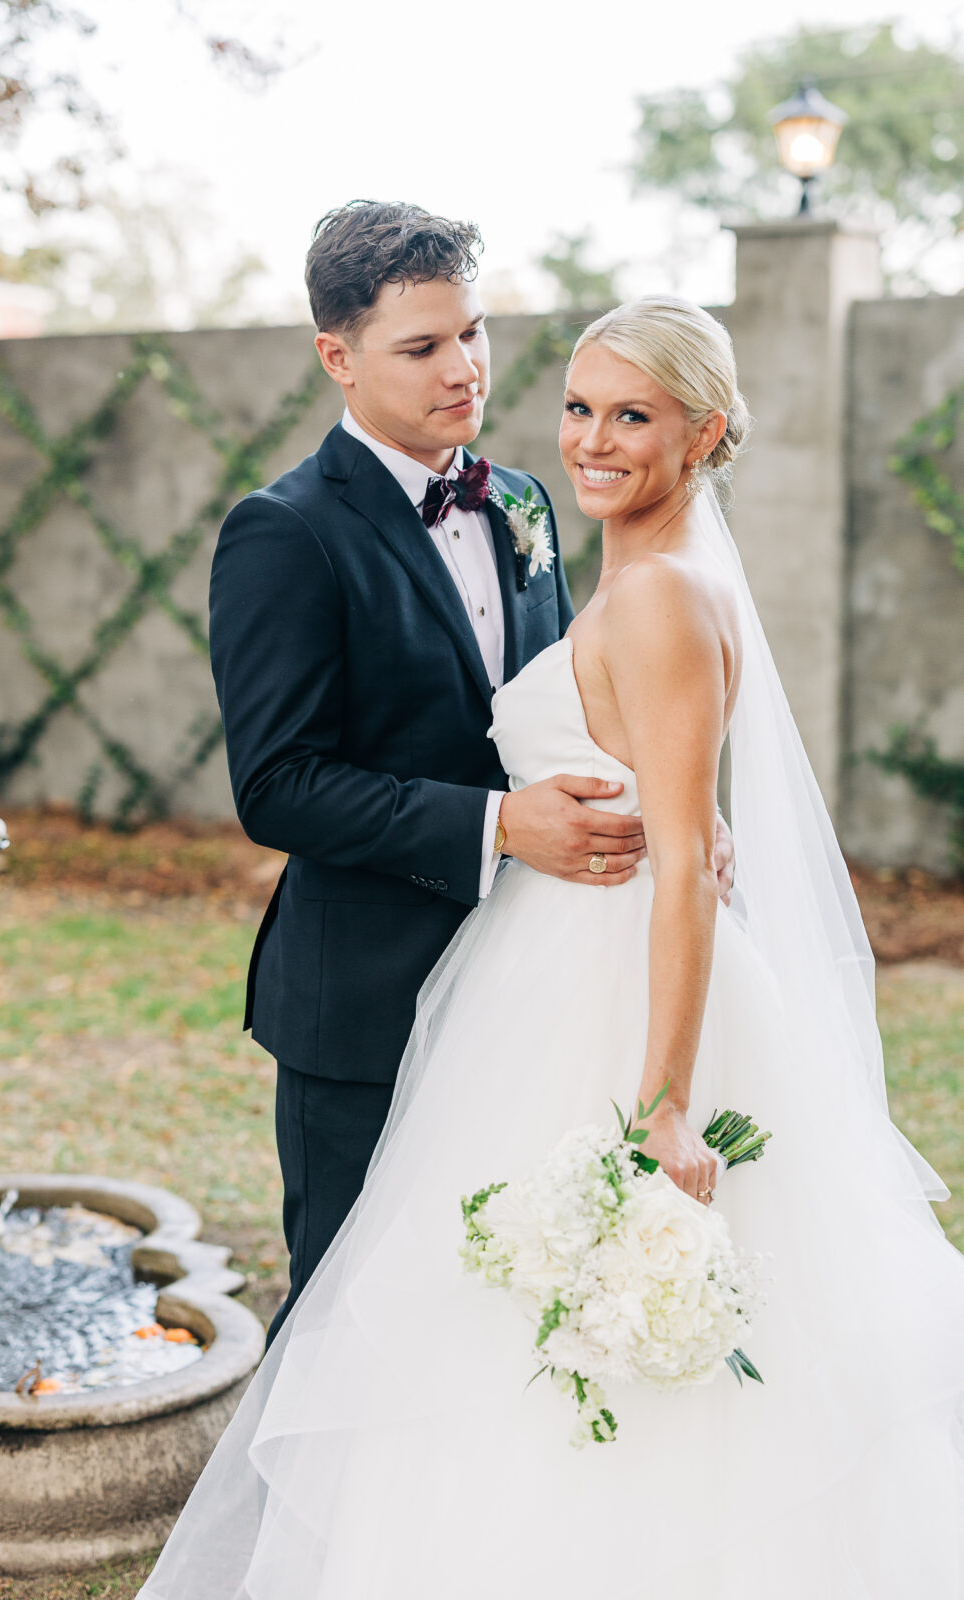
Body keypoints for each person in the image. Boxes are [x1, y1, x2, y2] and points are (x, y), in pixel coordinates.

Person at [142, 293, 964, 1599]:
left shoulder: (658, 594)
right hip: (532, 967)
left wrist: (662, 1106)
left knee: (567, 1344)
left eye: (628, 416)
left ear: (701, 433)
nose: (585, 441)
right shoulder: (613, 554)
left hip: (609, 999)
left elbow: (687, 856)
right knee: (493, 1320)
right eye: (576, 407)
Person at [206, 200, 735, 1344]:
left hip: (541, 989)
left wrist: (669, 804)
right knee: (349, 1329)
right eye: (421, 347)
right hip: (367, 999)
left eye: (473, 332)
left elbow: (581, 711)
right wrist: (497, 824)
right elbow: (278, 783)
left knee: (499, 1322)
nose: (464, 371)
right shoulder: (282, 533)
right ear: (336, 359)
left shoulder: (527, 504)